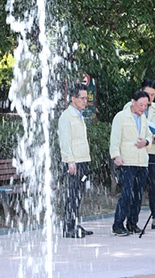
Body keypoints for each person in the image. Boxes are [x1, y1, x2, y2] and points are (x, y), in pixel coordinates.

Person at [122, 79, 155, 230]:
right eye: (147, 94)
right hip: (134, 153)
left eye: (153, 95)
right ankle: (129, 221)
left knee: (154, 185)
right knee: (135, 189)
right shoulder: (128, 108)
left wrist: (154, 137)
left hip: (152, 151)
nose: (150, 99)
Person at [110, 90, 153, 236]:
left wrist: (146, 141)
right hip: (127, 161)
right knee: (127, 194)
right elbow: (115, 138)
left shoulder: (144, 118)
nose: (143, 108)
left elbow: (149, 135)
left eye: (146, 105)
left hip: (141, 161)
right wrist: (116, 156)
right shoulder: (121, 117)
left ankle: (132, 223)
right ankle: (118, 224)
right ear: (133, 102)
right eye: (141, 105)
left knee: (138, 195)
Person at [57, 83, 93, 238]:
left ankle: (75, 223)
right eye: (82, 98)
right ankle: (68, 227)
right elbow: (65, 141)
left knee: (79, 194)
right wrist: (70, 161)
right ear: (73, 99)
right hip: (74, 161)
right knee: (72, 194)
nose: (85, 101)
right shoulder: (67, 116)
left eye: (86, 98)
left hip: (82, 159)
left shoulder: (79, 115)